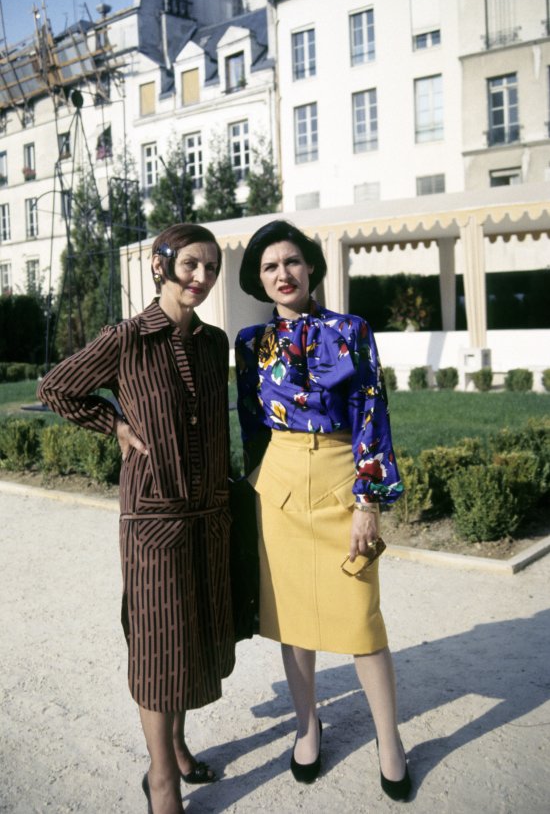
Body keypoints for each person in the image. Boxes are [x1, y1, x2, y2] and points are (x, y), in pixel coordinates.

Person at [39, 223, 234, 814]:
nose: (201, 277)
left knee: (193, 641)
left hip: (208, 519)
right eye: (191, 265)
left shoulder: (213, 341)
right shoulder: (125, 339)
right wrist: (115, 425)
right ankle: (161, 781)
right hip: (152, 520)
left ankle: (175, 747)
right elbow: (56, 388)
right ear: (160, 265)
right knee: (158, 649)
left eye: (211, 268)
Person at [235, 220, 411, 801]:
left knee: (362, 619)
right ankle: (306, 727)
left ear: (310, 267)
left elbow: (370, 411)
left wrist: (369, 502)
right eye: (269, 267)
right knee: (293, 623)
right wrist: (256, 482)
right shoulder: (249, 343)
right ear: (259, 280)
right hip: (279, 487)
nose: (282, 274)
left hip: (342, 483)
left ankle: (390, 741)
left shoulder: (352, 330)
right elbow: (250, 424)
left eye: (291, 262)